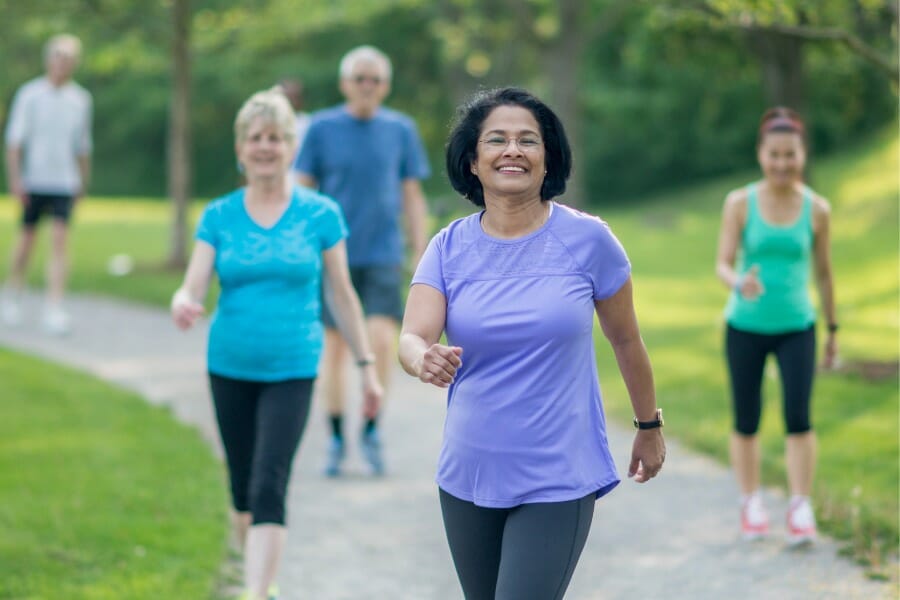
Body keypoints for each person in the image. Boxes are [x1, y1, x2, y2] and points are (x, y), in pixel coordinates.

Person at [398, 87, 666, 600]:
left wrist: (648, 426)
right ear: (473, 162)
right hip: (468, 474)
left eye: (528, 140)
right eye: (496, 140)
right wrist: (421, 358)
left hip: (559, 473)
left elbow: (626, 339)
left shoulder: (589, 241)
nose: (512, 150)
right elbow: (412, 336)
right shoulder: (448, 247)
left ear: (549, 160)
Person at [170, 88, 383, 600]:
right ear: (241, 148)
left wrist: (367, 367)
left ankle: (254, 593)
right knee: (243, 491)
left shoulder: (320, 214)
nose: (265, 147)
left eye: (276, 138)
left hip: (292, 364)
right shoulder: (219, 215)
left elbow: (342, 293)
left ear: (291, 147)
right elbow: (194, 282)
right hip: (230, 363)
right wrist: (183, 300)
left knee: (269, 484)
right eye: (255, 138)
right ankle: (260, 582)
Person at [294, 45, 430, 477]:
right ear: (344, 84)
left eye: (375, 80)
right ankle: (336, 435)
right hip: (332, 256)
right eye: (359, 79)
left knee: (381, 343)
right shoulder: (320, 128)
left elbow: (411, 194)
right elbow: (302, 190)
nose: (367, 87)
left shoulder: (400, 130)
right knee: (334, 349)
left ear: (385, 86)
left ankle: (371, 425)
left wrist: (422, 251)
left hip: (383, 253)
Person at [715, 107, 837, 545]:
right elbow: (723, 263)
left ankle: (800, 506)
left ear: (802, 155)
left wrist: (833, 328)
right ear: (761, 154)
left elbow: (824, 273)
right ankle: (751, 502)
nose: (782, 163)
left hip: (797, 325)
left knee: (798, 417)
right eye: (774, 154)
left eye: (791, 154)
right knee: (746, 418)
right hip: (745, 326)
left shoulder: (817, 209)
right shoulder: (739, 203)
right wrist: (738, 282)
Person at [2, 33, 92, 335]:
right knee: (26, 241)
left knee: (59, 243)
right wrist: (16, 180)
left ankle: (54, 306)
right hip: (34, 180)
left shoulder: (80, 100)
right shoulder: (30, 95)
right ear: (48, 59)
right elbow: (14, 142)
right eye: (58, 56)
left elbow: (82, 146)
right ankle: (12, 294)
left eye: (68, 58)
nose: (62, 63)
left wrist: (83, 182)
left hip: (64, 181)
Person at [276, 77, 310, 161]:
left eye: (295, 97)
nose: (291, 101)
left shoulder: (308, 123)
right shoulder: (267, 122)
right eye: (288, 97)